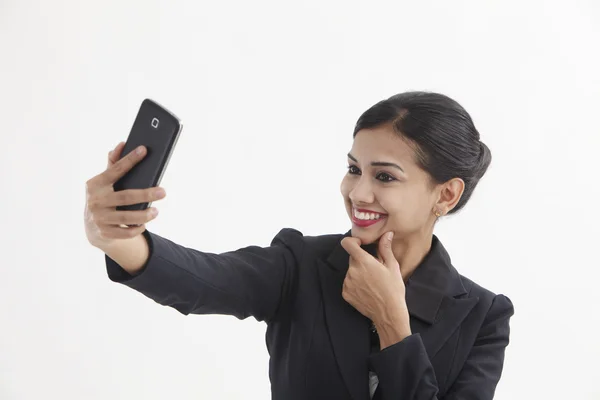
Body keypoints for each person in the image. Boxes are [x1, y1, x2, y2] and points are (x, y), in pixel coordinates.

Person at [84, 91, 514, 399]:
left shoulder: (482, 318)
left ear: (446, 195)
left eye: (384, 176)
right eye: (353, 168)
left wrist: (392, 327)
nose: (358, 193)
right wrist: (118, 237)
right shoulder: (302, 264)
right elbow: (203, 279)